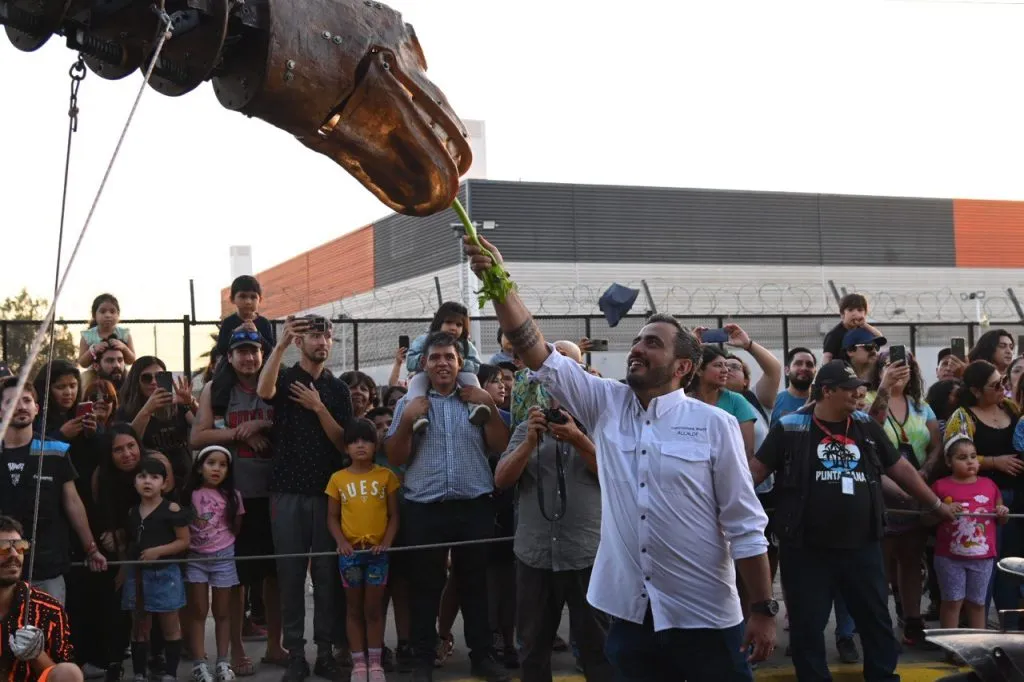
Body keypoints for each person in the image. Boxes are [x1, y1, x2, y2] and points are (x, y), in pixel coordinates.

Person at [464, 236, 775, 681]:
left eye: (652, 343)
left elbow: (745, 525)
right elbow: (534, 350)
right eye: (636, 340)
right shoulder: (604, 403)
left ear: (682, 367)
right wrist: (496, 281)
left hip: (705, 616)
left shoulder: (714, 425)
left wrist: (762, 608)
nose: (637, 348)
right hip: (629, 614)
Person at [750, 361, 957, 682]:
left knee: (875, 621)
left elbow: (898, 468)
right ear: (827, 391)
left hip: (862, 546)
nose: (858, 393)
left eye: (858, 388)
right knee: (807, 626)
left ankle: (883, 677)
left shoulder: (864, 425)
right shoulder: (789, 427)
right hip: (805, 549)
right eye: (849, 389)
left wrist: (932, 503)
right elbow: (757, 472)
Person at [256, 315, 353, 682]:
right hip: (286, 491)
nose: (322, 342)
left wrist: (318, 407)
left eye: (327, 335)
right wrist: (278, 346)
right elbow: (264, 393)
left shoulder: (338, 390)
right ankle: (296, 653)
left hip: (326, 493)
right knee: (291, 575)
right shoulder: (284, 376)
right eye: (315, 335)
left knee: (327, 577)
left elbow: (344, 442)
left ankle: (325, 651)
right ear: (301, 342)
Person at [0, 378, 107, 604]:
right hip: (2, 568)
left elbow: (73, 503)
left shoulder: (56, 451)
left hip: (46, 566)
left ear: (37, 408)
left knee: (48, 636)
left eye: (26, 400)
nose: (20, 406)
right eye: (11, 402)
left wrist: (92, 549)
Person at [326, 419, 400, 682]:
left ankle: (376, 662)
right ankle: (359, 663)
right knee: (353, 609)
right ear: (346, 447)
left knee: (374, 609)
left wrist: (387, 543)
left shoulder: (386, 476)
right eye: (354, 441)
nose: (360, 445)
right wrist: (341, 542)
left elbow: (394, 516)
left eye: (366, 440)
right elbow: (332, 517)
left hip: (378, 554)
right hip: (351, 555)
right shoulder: (338, 479)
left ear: (375, 444)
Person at [122, 456, 191, 682]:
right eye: (142, 476)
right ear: (134, 482)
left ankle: (170, 673)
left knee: (170, 624)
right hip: (138, 575)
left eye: (154, 477)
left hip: (165, 574)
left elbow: (184, 541)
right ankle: (140, 672)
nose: (148, 481)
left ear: (165, 482)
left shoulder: (172, 509)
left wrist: (158, 551)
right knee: (140, 626)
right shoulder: (132, 512)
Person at [931, 436, 1008, 631]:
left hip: (983, 557)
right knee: (952, 602)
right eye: (962, 457)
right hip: (949, 557)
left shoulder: (989, 485)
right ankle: (950, 646)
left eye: (973, 456)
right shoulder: (940, 486)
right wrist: (943, 509)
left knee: (977, 603)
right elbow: (926, 520)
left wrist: (1002, 512)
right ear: (949, 462)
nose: (970, 461)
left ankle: (977, 645)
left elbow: (1001, 520)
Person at [185, 446, 245, 682]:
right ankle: (199, 663)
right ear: (200, 468)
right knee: (198, 611)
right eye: (211, 463)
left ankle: (222, 661)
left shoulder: (233, 496)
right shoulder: (189, 494)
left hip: (223, 558)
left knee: (222, 612)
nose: (216, 469)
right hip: (195, 558)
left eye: (222, 465)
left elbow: (236, 526)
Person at [0, 515, 83, 682]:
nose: (14, 555)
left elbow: (64, 672)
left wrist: (36, 654)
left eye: (20, 546)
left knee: (70, 672)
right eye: (3, 548)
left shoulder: (48, 608)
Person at [404, 302, 489, 432]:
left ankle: (475, 407)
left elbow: (477, 365)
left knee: (471, 377)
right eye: (449, 322)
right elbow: (410, 361)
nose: (454, 328)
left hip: (457, 376)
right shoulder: (424, 340)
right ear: (439, 322)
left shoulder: (466, 345)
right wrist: (427, 361)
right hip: (427, 373)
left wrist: (459, 363)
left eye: (459, 324)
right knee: (416, 381)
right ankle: (417, 415)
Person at [77, 294, 136, 369]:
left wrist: (124, 348)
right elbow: (83, 363)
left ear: (118, 314)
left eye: (112, 312)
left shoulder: (124, 334)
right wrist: (93, 350)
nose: (108, 315)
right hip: (94, 375)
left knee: (128, 379)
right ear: (94, 315)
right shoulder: (87, 336)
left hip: (119, 372)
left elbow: (131, 360)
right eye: (103, 311)